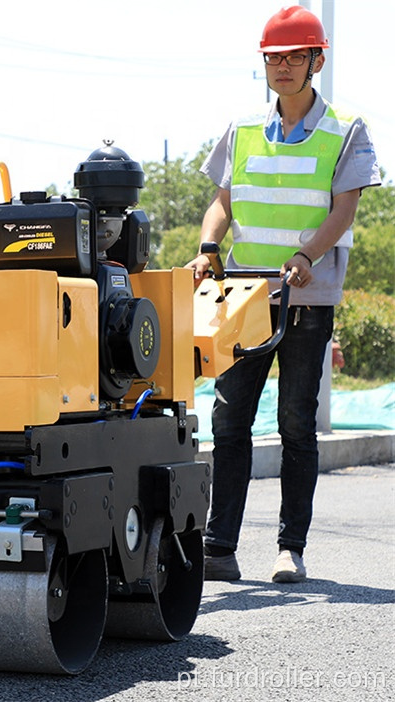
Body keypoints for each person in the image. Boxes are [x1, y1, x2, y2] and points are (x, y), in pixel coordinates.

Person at [185, 5, 381, 583]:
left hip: (309, 297)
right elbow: (222, 200)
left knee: (296, 422)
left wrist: (305, 256)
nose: (285, 66)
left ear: (317, 61)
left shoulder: (346, 129)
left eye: (297, 56)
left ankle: (289, 548)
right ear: (264, 65)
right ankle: (219, 548)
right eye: (276, 58)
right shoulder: (242, 129)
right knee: (229, 420)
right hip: (246, 296)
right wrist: (207, 246)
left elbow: (344, 210)